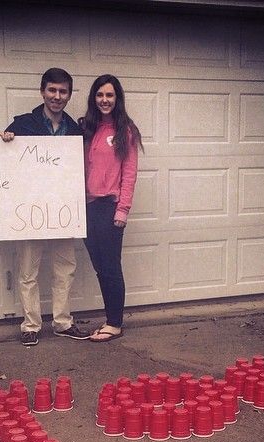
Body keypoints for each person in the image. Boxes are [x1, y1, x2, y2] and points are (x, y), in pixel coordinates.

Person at [1, 68, 90, 347]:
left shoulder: (76, 130)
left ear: (69, 95)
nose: (57, 96)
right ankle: (31, 325)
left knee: (65, 268)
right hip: (29, 211)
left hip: (63, 210)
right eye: (52, 90)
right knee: (28, 270)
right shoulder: (23, 124)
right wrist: (4, 141)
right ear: (42, 91)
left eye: (63, 91)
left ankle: (63, 322)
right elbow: (2, 164)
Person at [80, 74, 143, 342]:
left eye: (110, 95)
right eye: (99, 95)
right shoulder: (85, 128)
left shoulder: (125, 131)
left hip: (110, 207)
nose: (104, 100)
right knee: (99, 266)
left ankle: (114, 323)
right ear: (93, 98)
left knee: (110, 266)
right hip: (85, 208)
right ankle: (110, 319)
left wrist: (123, 211)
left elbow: (129, 173)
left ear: (117, 99)